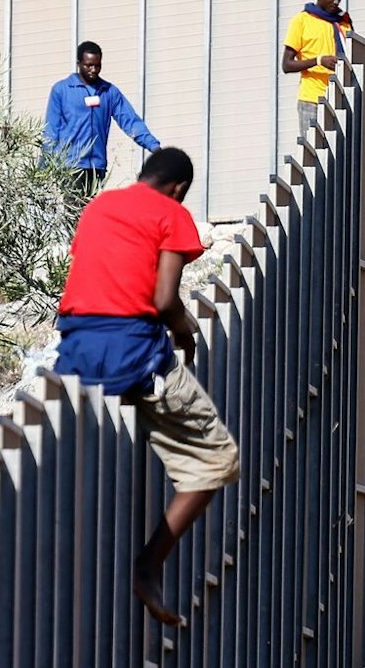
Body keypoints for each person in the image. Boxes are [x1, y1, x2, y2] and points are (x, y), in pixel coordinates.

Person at [54, 147, 239, 628]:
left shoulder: (99, 205)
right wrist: (185, 332)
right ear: (179, 188)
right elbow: (162, 299)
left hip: (75, 349)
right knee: (217, 461)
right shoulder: (172, 214)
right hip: (132, 353)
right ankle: (148, 567)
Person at [44, 42, 161, 218]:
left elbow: (129, 120)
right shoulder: (62, 90)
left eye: (97, 65)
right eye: (88, 65)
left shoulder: (109, 92)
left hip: (96, 166)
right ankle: (77, 244)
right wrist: (44, 167)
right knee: (75, 214)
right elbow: (51, 129)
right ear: (79, 63)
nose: (93, 70)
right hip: (71, 165)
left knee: (90, 213)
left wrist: (154, 147)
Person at [280, 0, 352, 140]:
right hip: (312, 100)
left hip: (340, 99)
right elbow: (286, 65)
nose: (336, 2)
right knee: (314, 155)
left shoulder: (343, 22)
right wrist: (319, 60)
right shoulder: (302, 21)